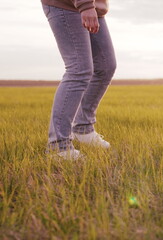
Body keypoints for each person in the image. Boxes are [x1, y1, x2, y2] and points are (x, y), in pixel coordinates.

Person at [41, 0, 116, 160]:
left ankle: (83, 128)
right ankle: (58, 145)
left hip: (94, 7)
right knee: (78, 69)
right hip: (67, 4)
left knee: (105, 66)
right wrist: (85, 5)